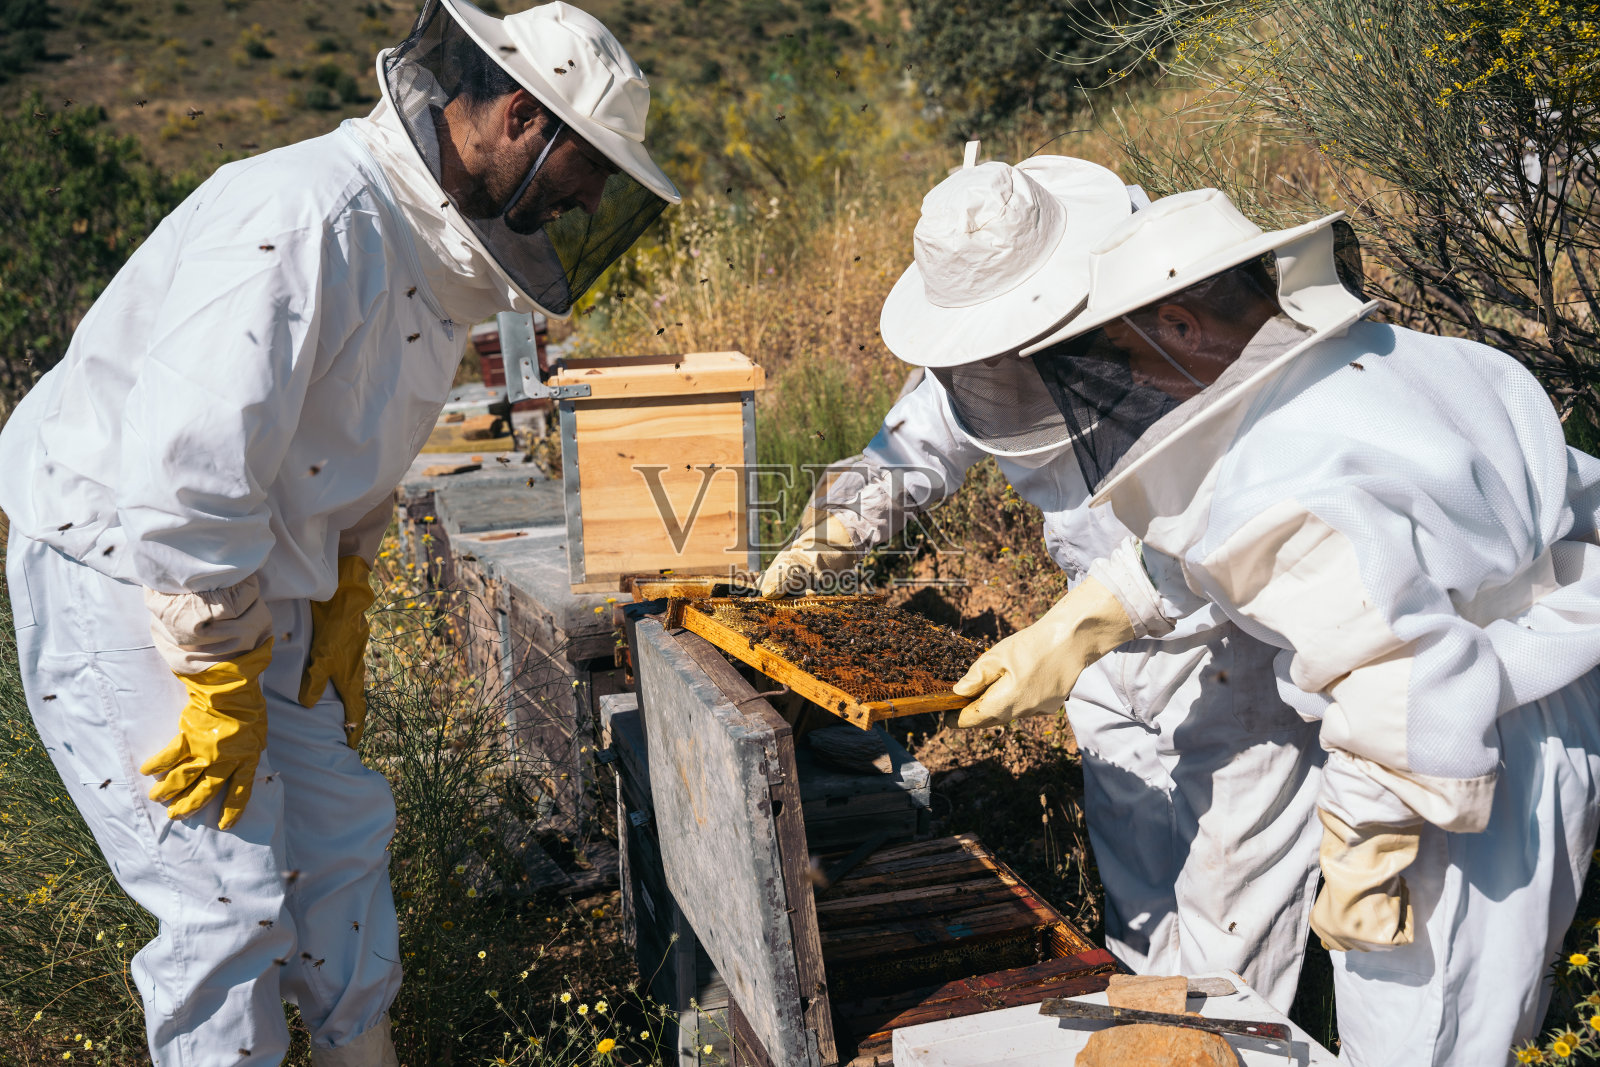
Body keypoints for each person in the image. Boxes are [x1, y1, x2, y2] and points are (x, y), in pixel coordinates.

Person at [0, 1, 677, 1062]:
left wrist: (347, 579)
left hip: (255, 579)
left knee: (341, 843)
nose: (590, 196)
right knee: (223, 903)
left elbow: (350, 441)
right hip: (132, 571)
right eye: (587, 166)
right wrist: (219, 670)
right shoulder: (305, 217)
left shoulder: (421, 252)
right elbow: (184, 474)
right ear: (512, 117)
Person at [1022, 186, 1600, 1065]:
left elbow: (1396, 673)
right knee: (1494, 1010)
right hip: (1545, 694)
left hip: (1446, 758)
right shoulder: (1418, 358)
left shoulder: (1280, 469)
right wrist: (1108, 606)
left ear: (1179, 326)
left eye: (1121, 357)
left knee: (1423, 1036)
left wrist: (1367, 845)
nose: (1128, 385)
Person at [759, 147, 1326, 1012]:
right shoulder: (977, 355)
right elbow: (910, 448)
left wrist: (1090, 621)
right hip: (1099, 665)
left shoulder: (1162, 314)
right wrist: (831, 530)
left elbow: (1240, 511)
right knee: (1140, 919)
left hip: (1231, 646)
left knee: (1229, 941)